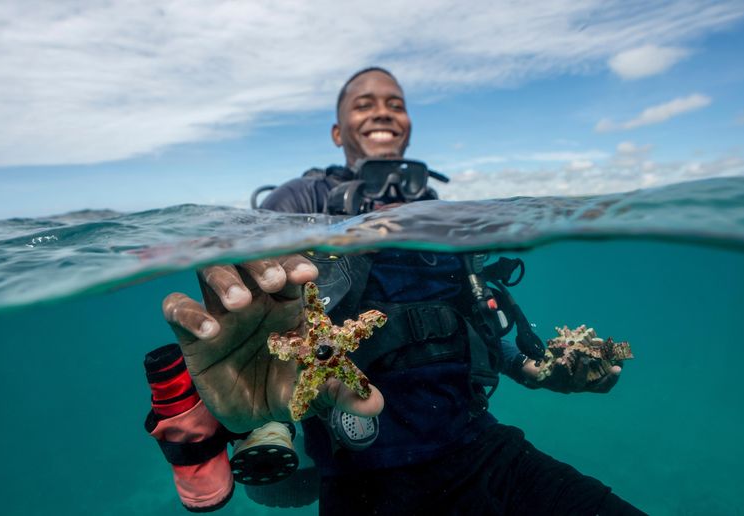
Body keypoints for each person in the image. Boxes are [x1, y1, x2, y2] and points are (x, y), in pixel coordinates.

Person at [149, 67, 643, 514]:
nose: (383, 110)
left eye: (396, 103)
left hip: (481, 447)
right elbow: (255, 277)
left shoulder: (437, 212)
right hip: (362, 478)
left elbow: (475, 318)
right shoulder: (302, 199)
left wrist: (534, 368)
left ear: (408, 124)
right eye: (364, 104)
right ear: (338, 133)